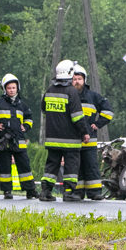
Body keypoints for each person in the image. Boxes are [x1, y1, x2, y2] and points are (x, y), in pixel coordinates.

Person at [0, 74, 37, 199]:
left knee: (25, 166)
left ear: (17, 88)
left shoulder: (22, 105)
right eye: (9, 88)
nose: (11, 90)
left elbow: (29, 118)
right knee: (4, 167)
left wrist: (26, 127)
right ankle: (7, 191)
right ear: (5, 89)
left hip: (18, 140)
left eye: (13, 88)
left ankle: (30, 190)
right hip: (3, 141)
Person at [40, 59, 89, 202]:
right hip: (70, 140)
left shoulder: (49, 90)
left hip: (52, 138)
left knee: (51, 165)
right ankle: (68, 193)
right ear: (69, 73)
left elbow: (44, 110)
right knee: (71, 167)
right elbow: (77, 117)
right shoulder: (71, 92)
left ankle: (45, 192)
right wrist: (84, 132)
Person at [72, 64, 114, 200]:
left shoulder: (93, 96)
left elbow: (108, 112)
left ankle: (95, 193)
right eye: (74, 79)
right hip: (73, 140)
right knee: (76, 168)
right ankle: (77, 193)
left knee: (91, 166)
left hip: (89, 140)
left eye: (79, 78)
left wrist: (98, 124)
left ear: (84, 80)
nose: (76, 81)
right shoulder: (68, 96)